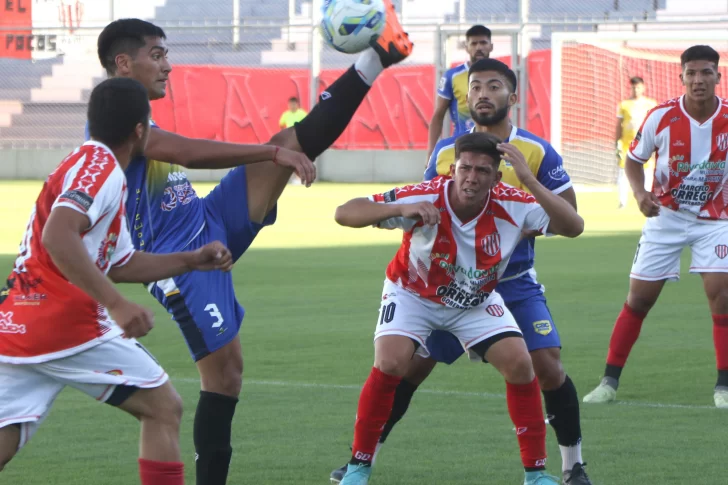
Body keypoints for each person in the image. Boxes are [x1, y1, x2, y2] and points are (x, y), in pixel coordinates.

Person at [95, 4, 413, 484]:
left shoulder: (140, 112)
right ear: (124, 64)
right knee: (224, 376)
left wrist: (278, 151)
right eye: (157, 55)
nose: (168, 65)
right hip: (180, 262)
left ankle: (376, 58)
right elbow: (181, 152)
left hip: (204, 217)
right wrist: (269, 151)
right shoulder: (115, 116)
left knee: (291, 141)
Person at [331, 58, 593, 485]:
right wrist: (400, 210)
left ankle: (561, 468)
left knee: (534, 365)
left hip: (500, 286)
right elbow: (353, 211)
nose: (471, 177)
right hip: (423, 289)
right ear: (453, 167)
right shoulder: (443, 160)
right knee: (399, 365)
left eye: (494, 85)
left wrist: (528, 180)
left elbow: (573, 224)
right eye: (475, 86)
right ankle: (361, 462)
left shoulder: (531, 161)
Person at [0, 77, 235, 485]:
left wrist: (191, 260)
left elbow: (120, 263)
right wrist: (117, 304)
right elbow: (59, 234)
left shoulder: (90, 164)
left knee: (7, 433)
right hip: (65, 322)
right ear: (141, 131)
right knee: (163, 407)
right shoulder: (103, 168)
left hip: (19, 323)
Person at [583, 45, 728, 409]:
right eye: (691, 73)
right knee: (639, 299)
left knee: (722, 297)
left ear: (717, 76)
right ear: (681, 77)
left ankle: (724, 387)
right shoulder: (660, 116)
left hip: (716, 220)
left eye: (706, 72)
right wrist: (639, 193)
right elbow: (634, 161)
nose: (698, 80)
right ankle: (608, 382)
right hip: (665, 218)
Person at [427, 24, 493, 158]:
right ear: (466, 47)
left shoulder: (502, 75)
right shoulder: (452, 76)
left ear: (491, 46)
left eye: (483, 43)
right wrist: (431, 153)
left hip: (493, 144)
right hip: (462, 146)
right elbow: (438, 115)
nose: (479, 47)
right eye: (474, 43)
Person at [616, 77, 657, 208]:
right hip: (627, 144)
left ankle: (647, 199)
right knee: (623, 171)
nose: (636, 89)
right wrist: (617, 142)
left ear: (643, 88)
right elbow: (619, 125)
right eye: (634, 87)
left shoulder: (651, 104)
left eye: (638, 87)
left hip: (645, 143)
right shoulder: (624, 105)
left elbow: (655, 124)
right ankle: (622, 201)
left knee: (648, 170)